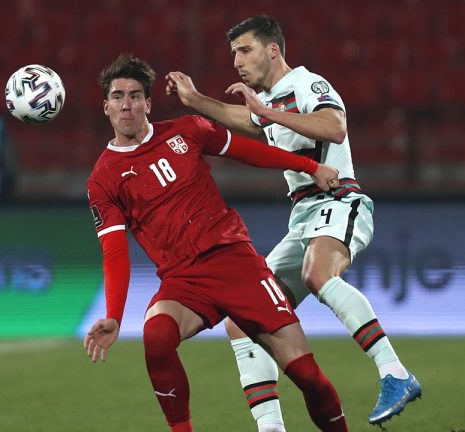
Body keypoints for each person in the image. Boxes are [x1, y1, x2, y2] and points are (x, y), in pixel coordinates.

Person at [166, 15, 421, 429]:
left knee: (318, 274)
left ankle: (394, 372)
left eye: (245, 50)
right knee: (243, 320)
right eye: (233, 53)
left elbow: (333, 127)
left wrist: (267, 112)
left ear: (273, 50)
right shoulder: (272, 102)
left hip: (339, 200)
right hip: (303, 218)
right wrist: (196, 101)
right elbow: (247, 121)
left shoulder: (307, 84)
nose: (237, 61)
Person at [84, 54, 348, 432]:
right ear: (105, 106)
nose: (127, 104)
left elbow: (249, 152)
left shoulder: (187, 130)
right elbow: (114, 253)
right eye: (118, 96)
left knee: (306, 374)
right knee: (156, 336)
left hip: (234, 261)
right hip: (183, 280)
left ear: (149, 103)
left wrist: (310, 167)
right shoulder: (103, 179)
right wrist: (114, 315)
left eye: (135, 95)